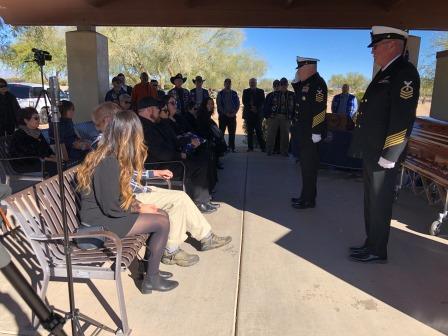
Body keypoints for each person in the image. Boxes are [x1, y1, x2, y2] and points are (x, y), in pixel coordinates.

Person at [77, 110, 178, 293]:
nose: (140, 138)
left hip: (106, 215)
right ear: (127, 135)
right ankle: (151, 280)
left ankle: (150, 271)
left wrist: (139, 206)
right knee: (161, 222)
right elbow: (111, 207)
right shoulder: (107, 161)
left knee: (161, 214)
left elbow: (115, 199)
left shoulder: (112, 154)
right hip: (97, 224)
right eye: (137, 134)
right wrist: (139, 207)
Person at [348, 26, 420, 263]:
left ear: (391, 45)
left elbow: (402, 117)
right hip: (373, 151)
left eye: (376, 46)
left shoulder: (404, 72)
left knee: (379, 202)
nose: (373, 51)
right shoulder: (385, 72)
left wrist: (390, 154)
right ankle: (371, 243)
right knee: (371, 200)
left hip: (384, 154)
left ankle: (378, 250)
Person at [137, 97, 217, 214]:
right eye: (157, 109)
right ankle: (200, 202)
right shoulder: (145, 128)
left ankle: (203, 199)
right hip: (159, 166)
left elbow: (170, 142)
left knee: (201, 158)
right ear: (149, 110)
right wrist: (180, 155)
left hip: (167, 160)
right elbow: (161, 153)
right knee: (199, 164)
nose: (159, 112)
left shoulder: (150, 124)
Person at [290, 57, 328, 209]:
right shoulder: (306, 83)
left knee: (309, 169)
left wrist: (316, 132)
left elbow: (320, 109)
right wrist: (297, 78)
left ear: (310, 68)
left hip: (311, 135)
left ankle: (308, 200)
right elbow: (297, 89)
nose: (298, 71)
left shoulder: (318, 84)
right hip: (303, 134)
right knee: (306, 168)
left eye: (300, 69)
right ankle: (305, 196)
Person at [9, 107, 58, 176]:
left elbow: (47, 149)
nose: (39, 120)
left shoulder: (36, 132)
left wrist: (54, 156)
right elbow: (29, 154)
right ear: (26, 120)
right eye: (36, 118)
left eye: (39, 117)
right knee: (54, 166)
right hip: (24, 164)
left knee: (61, 163)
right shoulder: (19, 135)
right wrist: (50, 159)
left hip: (38, 161)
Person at [264, 77, 295, 156]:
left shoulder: (292, 95)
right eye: (282, 84)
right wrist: (267, 117)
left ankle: (284, 152)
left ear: (287, 85)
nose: (283, 86)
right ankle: (269, 151)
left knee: (285, 136)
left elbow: (295, 107)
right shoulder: (271, 95)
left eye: (285, 84)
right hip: (273, 117)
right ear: (279, 85)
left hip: (286, 117)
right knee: (271, 135)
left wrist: (293, 117)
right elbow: (266, 106)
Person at [242, 78, 266, 152]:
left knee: (259, 131)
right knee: (250, 132)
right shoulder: (245, 91)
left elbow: (263, 102)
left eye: (253, 82)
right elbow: (244, 101)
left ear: (256, 83)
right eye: (251, 82)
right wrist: (251, 108)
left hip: (258, 115)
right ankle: (250, 147)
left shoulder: (261, 91)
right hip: (249, 115)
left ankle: (263, 147)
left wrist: (256, 108)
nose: (252, 83)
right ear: (249, 83)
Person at [217, 78, 240, 152]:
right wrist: (225, 113)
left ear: (231, 84)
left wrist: (234, 112)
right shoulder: (220, 93)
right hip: (223, 116)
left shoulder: (234, 93)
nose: (228, 84)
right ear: (224, 84)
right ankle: (221, 148)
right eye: (226, 83)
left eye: (229, 83)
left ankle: (232, 147)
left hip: (232, 116)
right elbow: (219, 105)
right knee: (221, 133)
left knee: (232, 133)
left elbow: (238, 104)